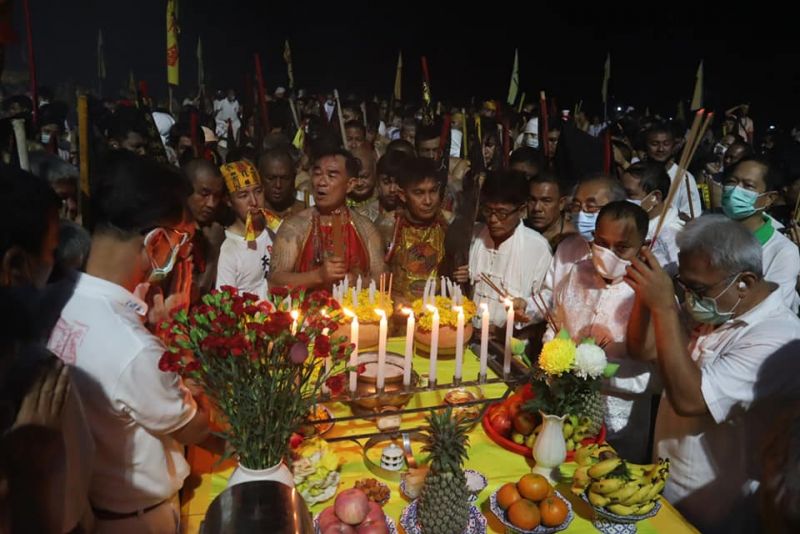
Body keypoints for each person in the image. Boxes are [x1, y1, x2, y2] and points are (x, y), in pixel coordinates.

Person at [47, 151, 210, 533]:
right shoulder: (132, 347)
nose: (181, 254)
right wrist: (185, 366)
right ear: (155, 243)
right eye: (178, 242)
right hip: (140, 520)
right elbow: (196, 427)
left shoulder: (54, 300)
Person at [625, 215, 800, 533]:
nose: (688, 297)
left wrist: (665, 307)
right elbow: (644, 350)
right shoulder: (720, 308)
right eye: (682, 284)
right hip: (667, 490)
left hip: (722, 515)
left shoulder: (779, 337)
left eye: (697, 288)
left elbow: (690, 400)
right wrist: (644, 294)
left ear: (744, 283)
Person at [546, 201, 657, 461]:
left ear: (643, 248)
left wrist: (591, 370)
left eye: (621, 247)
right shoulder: (576, 273)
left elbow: (654, 375)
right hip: (564, 410)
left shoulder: (651, 295)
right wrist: (555, 358)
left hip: (619, 425)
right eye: (602, 243)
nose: (609, 253)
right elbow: (556, 326)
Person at [269, 149, 385, 289]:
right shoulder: (294, 227)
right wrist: (317, 276)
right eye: (317, 174)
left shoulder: (366, 228)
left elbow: (382, 276)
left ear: (350, 185)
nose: (321, 182)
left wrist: (359, 282)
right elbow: (274, 281)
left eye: (331, 175)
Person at [454, 171, 552, 327]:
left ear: (521, 210)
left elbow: (548, 297)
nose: (493, 219)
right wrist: (463, 276)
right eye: (488, 211)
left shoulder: (537, 247)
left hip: (508, 342)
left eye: (502, 213)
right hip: (468, 331)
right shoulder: (474, 236)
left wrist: (526, 305)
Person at [720, 158, 800, 312]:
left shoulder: (783, 252)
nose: (736, 190)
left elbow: (772, 310)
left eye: (748, 186)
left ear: (769, 198)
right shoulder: (708, 234)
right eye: (731, 182)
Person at [384, 157, 448, 306]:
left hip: (438, 318)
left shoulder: (448, 225)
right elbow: (374, 277)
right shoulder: (388, 226)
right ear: (402, 195)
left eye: (432, 191)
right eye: (419, 193)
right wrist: (391, 298)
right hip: (397, 319)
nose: (428, 201)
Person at [215, 160, 274, 299]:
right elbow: (226, 303)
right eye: (243, 195)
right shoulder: (229, 248)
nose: (254, 202)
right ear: (228, 201)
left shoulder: (274, 230)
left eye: (258, 192)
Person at [621, 161, 680, 273]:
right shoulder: (631, 220)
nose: (622, 199)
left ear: (655, 197)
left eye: (630, 195)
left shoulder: (672, 236)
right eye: (621, 192)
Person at [183, 159, 226, 299]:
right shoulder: (175, 236)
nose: (211, 204)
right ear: (186, 189)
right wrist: (214, 249)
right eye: (204, 194)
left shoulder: (205, 231)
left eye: (217, 196)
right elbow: (198, 294)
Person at [643, 123, 702, 218]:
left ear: (673, 146)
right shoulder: (636, 174)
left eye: (666, 144)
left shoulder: (684, 178)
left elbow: (692, 215)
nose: (661, 149)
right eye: (654, 144)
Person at [525, 172, 577, 249]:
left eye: (546, 201)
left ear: (561, 203)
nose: (537, 208)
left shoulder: (573, 239)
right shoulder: (517, 232)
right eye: (532, 200)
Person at [374, 150, 410, 246]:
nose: (392, 189)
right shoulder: (363, 216)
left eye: (398, 182)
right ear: (377, 182)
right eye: (386, 182)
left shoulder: (421, 215)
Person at [257, 148, 305, 220]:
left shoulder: (310, 204)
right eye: (270, 178)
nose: (278, 185)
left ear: (294, 177)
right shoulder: (251, 212)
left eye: (285, 178)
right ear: (259, 177)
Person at [348, 144, 380, 222]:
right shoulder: (338, 199)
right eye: (355, 178)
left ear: (374, 172)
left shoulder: (384, 199)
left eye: (364, 177)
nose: (359, 183)